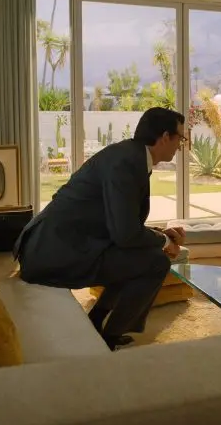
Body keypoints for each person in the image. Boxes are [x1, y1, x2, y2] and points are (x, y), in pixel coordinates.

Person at [13, 107, 188, 350]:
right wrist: (164, 242)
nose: (181, 145)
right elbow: (125, 235)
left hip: (58, 242)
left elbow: (120, 221)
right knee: (155, 262)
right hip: (52, 253)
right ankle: (109, 337)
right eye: (181, 138)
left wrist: (158, 233)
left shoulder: (129, 155)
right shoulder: (126, 163)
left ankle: (97, 322)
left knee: (137, 255)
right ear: (166, 137)